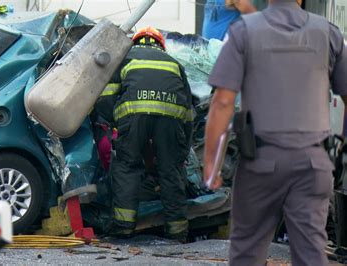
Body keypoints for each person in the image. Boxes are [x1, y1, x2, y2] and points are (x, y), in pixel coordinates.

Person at [203, 0, 347, 264]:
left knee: (248, 250)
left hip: (261, 163)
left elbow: (222, 102)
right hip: (313, 164)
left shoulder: (244, 31)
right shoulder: (328, 32)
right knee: (311, 254)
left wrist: (211, 165)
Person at [95, 26, 194, 242]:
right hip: (170, 119)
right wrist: (182, 149)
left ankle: (123, 226)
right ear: (160, 44)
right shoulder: (174, 64)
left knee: (128, 166)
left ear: (135, 41)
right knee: (171, 171)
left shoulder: (125, 58)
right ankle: (177, 231)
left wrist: (118, 123)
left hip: (133, 117)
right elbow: (188, 113)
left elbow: (106, 97)